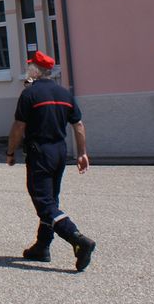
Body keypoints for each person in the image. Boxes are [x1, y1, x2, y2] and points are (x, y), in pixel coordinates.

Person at [6, 50, 96, 272]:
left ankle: (77, 239)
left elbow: (19, 126)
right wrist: (82, 153)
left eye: (30, 66)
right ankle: (42, 246)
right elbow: (79, 125)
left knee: (43, 202)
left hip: (40, 152)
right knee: (51, 199)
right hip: (59, 152)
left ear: (34, 70)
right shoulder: (64, 94)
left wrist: (10, 152)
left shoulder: (29, 95)